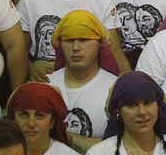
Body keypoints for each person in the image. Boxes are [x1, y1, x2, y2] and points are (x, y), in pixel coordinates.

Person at [47, 11, 120, 141]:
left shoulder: (115, 88)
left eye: (83, 40)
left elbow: (123, 145)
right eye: (69, 41)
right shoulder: (46, 84)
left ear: (99, 45)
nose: (76, 47)